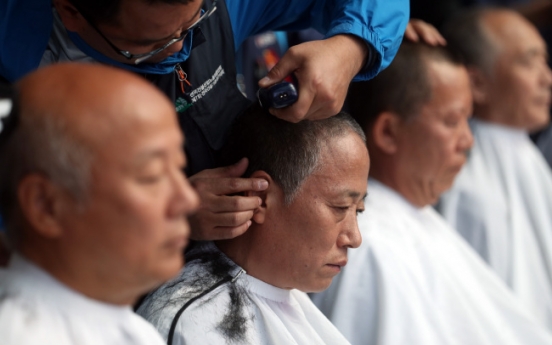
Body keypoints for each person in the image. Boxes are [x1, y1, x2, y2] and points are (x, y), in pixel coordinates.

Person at [0, 0, 407, 242]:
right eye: (153, 45)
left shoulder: (220, 7)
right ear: (70, 11)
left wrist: (352, 46)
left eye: (194, 21)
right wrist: (159, 217)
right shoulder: (21, 67)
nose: (181, 46)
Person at [311, 41, 552, 345]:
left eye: (468, 120)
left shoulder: (414, 216)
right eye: (452, 121)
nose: (467, 140)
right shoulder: (368, 246)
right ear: (388, 132)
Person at [0, 63, 199, 344]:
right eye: (151, 176)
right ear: (45, 205)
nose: (188, 199)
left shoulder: (126, 327)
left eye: (179, 168)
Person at [137, 103, 369, 344]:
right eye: (340, 208)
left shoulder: (287, 294)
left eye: (359, 210)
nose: (354, 238)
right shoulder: (192, 325)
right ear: (260, 197)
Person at [438, 8, 552, 329]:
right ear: (477, 82)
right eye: (529, 62)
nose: (547, 78)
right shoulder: (457, 176)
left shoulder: (530, 159)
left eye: (544, 61)